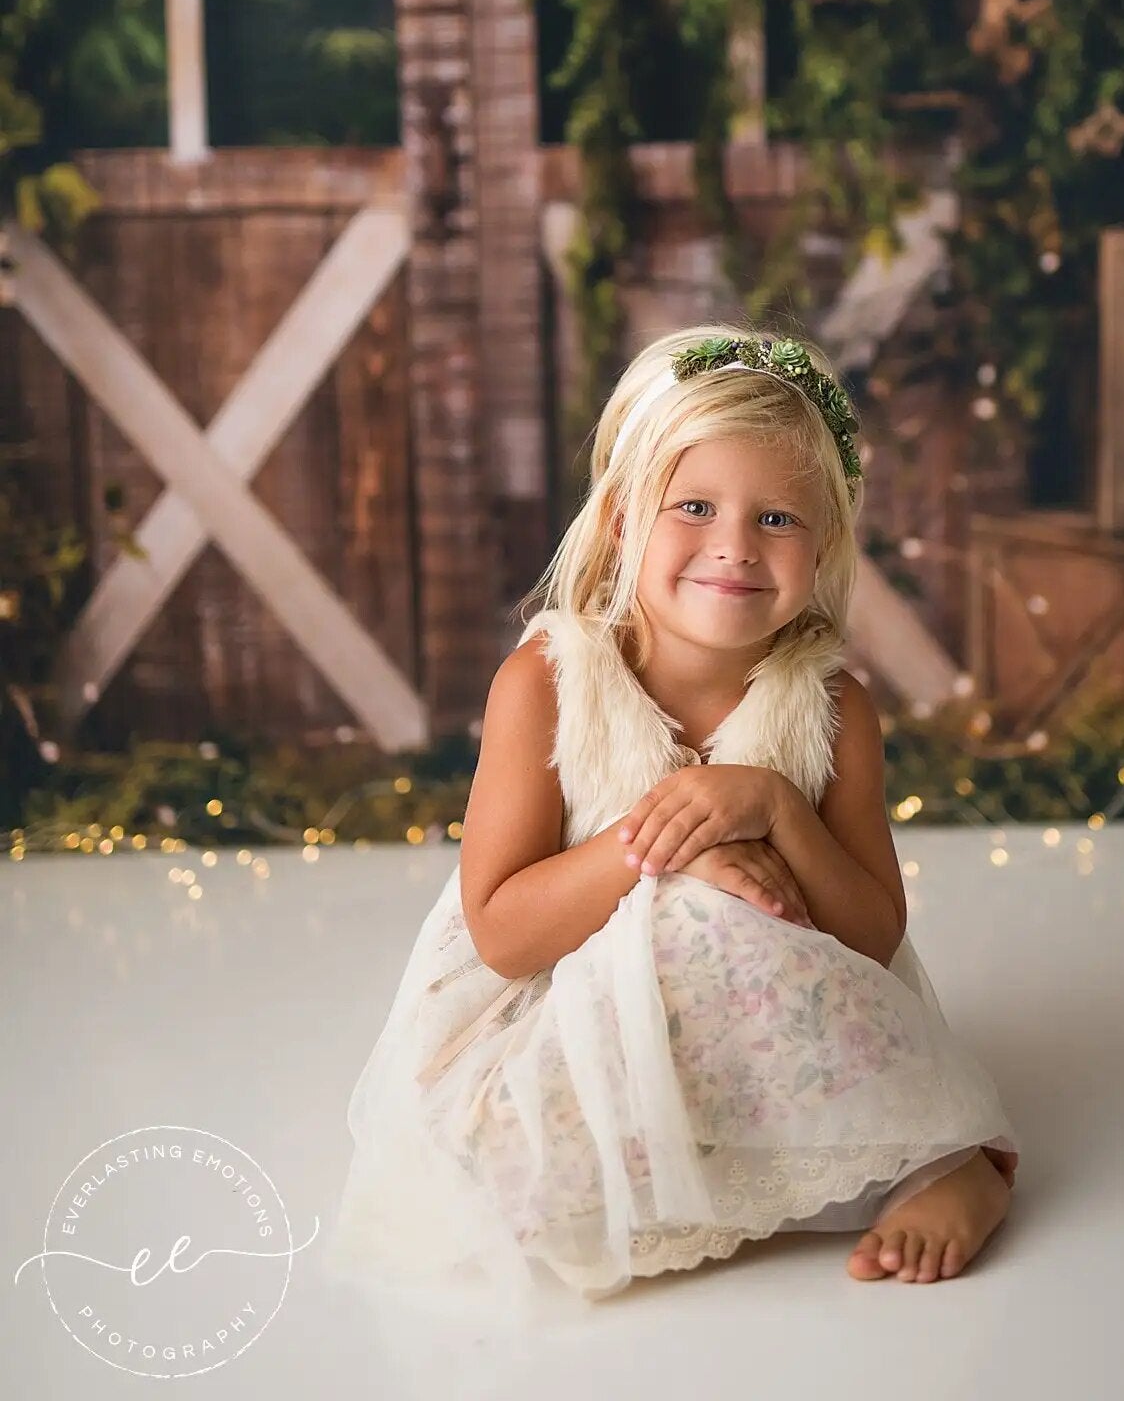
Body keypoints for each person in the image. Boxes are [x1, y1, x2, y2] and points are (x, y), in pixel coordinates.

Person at [325, 326, 1019, 1313]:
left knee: (721, 925)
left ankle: (944, 1161)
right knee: (509, 1191)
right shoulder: (548, 683)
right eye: (693, 505)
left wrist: (773, 808)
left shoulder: (831, 708)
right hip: (564, 1003)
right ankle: (687, 1158)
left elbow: (872, 935)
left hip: (773, 1002)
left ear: (824, 546)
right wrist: (672, 852)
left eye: (778, 516)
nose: (734, 543)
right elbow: (504, 930)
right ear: (619, 521)